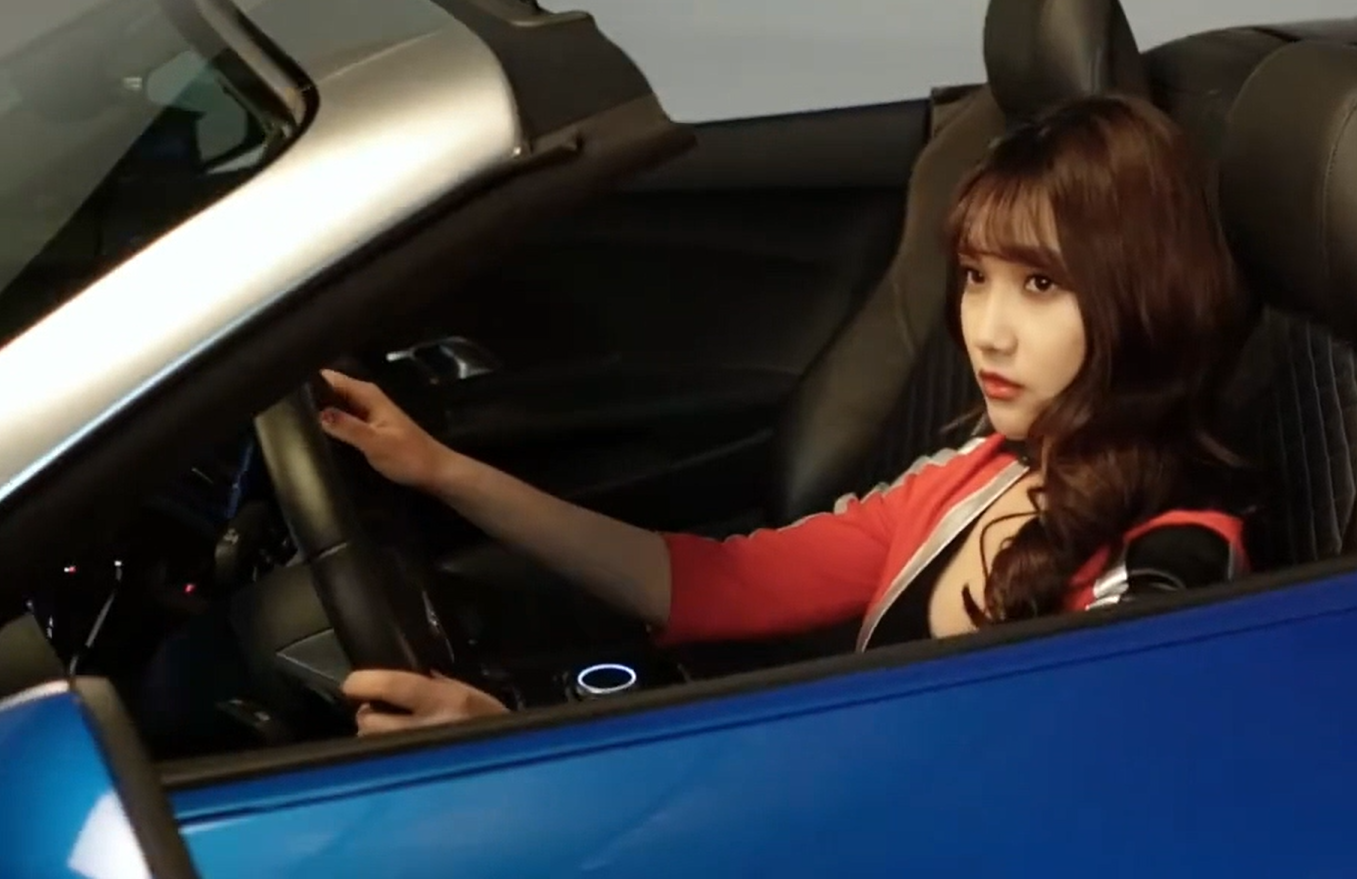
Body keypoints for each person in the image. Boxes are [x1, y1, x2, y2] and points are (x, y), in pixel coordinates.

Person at [321, 93, 1252, 736]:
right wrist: (441, 470)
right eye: (976, 277)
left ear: (1140, 300)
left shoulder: (1169, 571)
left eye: (1040, 285)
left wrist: (516, 742)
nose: (988, 332)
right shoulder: (979, 474)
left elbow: (1025, 804)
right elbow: (713, 583)